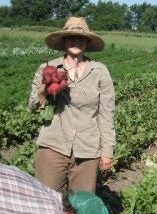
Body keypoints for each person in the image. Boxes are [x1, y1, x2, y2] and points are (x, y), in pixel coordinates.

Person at [28, 17, 115, 193]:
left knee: (81, 206)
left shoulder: (99, 71)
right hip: (53, 145)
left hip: (87, 149)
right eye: (71, 37)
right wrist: (46, 90)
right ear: (63, 41)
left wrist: (107, 150)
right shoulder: (49, 68)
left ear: (87, 42)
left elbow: (106, 113)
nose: (76, 41)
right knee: (47, 200)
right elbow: (32, 106)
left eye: (81, 37)